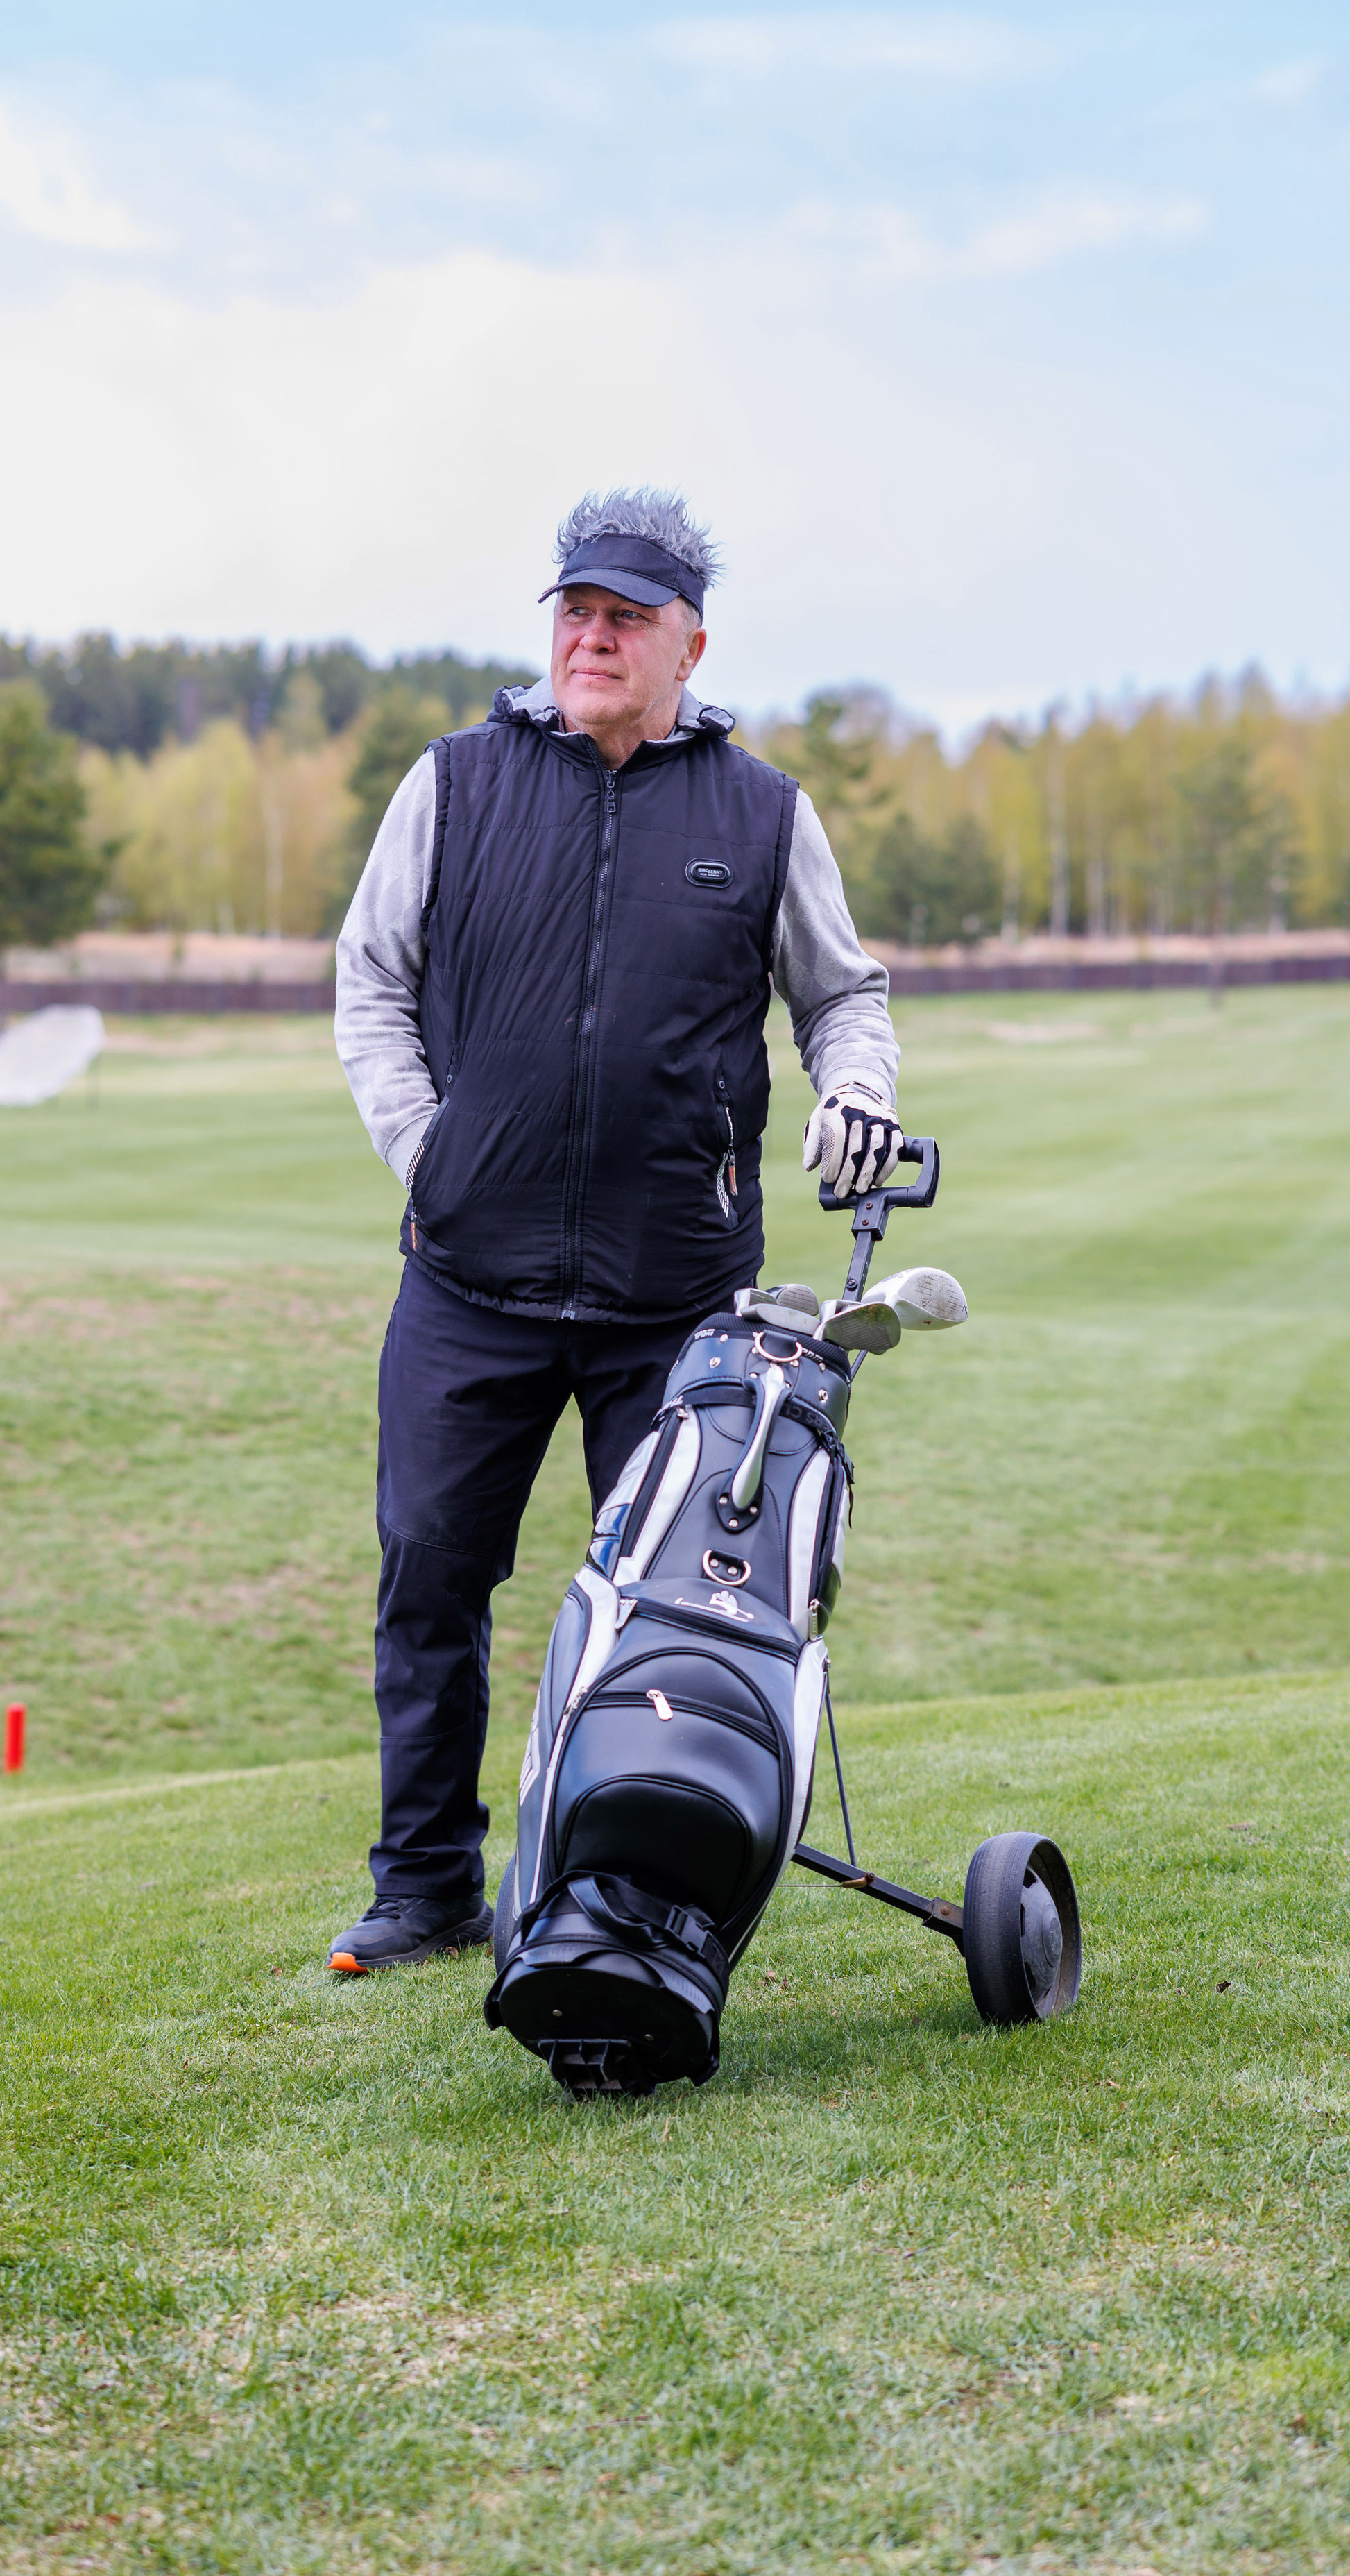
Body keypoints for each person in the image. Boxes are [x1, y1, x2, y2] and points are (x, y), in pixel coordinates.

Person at [328, 487, 905, 1972]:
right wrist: (428, 1151)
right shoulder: (454, 783)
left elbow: (842, 995)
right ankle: (425, 1886)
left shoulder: (762, 811)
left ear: (687, 647)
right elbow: (370, 978)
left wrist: (857, 1089)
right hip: (469, 1280)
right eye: (574, 612)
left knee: (674, 1608)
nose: (591, 637)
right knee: (429, 1577)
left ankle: (632, 1895)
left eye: (625, 619)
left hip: (676, 1300)